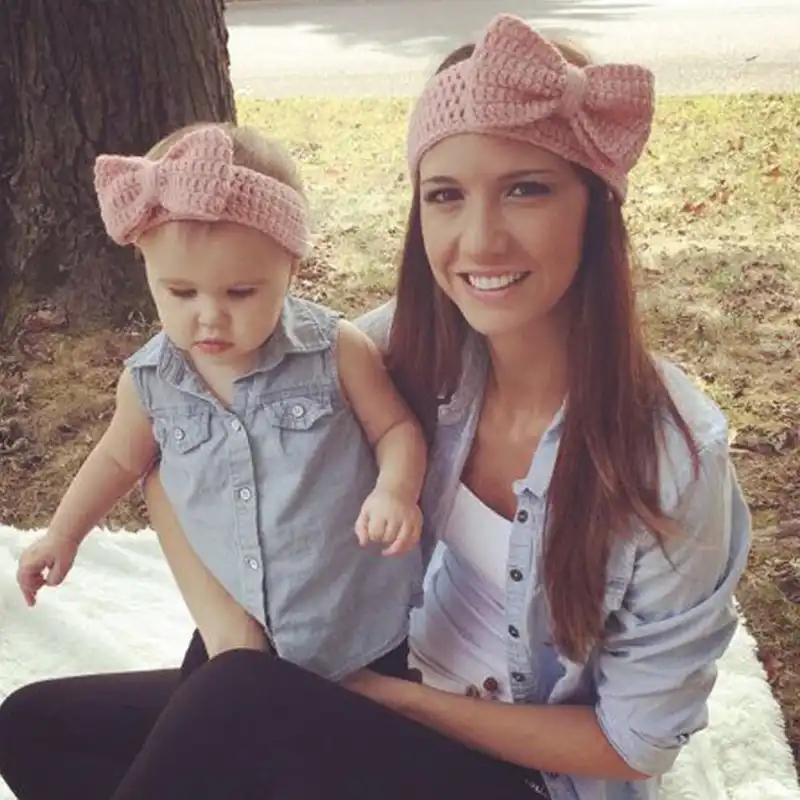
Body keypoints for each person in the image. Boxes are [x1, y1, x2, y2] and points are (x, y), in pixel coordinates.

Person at [0, 13, 750, 800]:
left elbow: (635, 745)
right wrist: (234, 640)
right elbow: (166, 457)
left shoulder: (675, 456)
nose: (480, 238)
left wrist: (377, 698)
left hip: (515, 771)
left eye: (527, 189)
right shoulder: (396, 350)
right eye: (446, 195)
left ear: (596, 206)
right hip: (369, 677)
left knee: (231, 705)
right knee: (35, 725)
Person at [13, 122, 427, 682]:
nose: (208, 316)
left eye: (240, 293)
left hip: (357, 628)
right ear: (148, 270)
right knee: (205, 748)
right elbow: (116, 459)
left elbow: (395, 428)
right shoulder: (151, 380)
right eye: (180, 292)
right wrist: (63, 534)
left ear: (291, 269)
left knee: (340, 759)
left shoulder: (334, 351)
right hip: (236, 624)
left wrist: (395, 490)